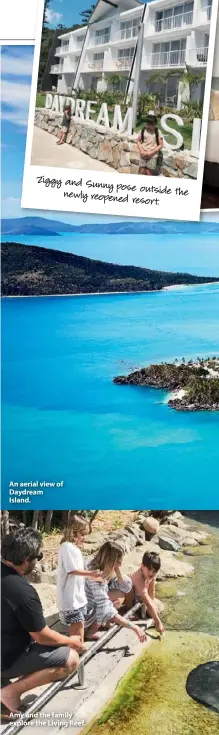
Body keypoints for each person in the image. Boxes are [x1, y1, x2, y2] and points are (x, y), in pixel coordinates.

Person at [1, 527, 85, 721]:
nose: (38, 561)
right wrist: (70, 640)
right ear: (25, 560)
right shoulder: (23, 593)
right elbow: (42, 636)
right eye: (38, 557)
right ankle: (11, 692)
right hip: (7, 659)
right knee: (71, 659)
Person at [84, 541, 146, 644]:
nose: (121, 564)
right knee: (111, 604)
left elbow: (127, 587)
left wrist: (118, 571)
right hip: (87, 611)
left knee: (120, 596)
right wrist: (134, 627)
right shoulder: (96, 576)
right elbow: (105, 606)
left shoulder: (97, 563)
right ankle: (92, 630)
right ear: (110, 560)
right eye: (118, 562)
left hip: (91, 600)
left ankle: (104, 622)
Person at [57, 515, 104, 644]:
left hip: (78, 596)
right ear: (74, 531)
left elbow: (79, 571)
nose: (84, 538)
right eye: (82, 534)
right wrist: (91, 573)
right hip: (70, 597)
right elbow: (71, 570)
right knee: (76, 625)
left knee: (80, 624)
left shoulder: (75, 549)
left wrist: (93, 577)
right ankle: (75, 649)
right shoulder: (66, 547)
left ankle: (80, 647)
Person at [125, 551, 165, 635]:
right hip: (129, 597)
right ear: (142, 566)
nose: (151, 573)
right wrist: (158, 622)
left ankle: (141, 610)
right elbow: (146, 598)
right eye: (149, 570)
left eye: (154, 571)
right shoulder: (138, 577)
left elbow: (151, 591)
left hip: (140, 596)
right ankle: (129, 610)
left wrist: (152, 604)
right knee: (128, 586)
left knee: (153, 610)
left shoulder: (152, 575)